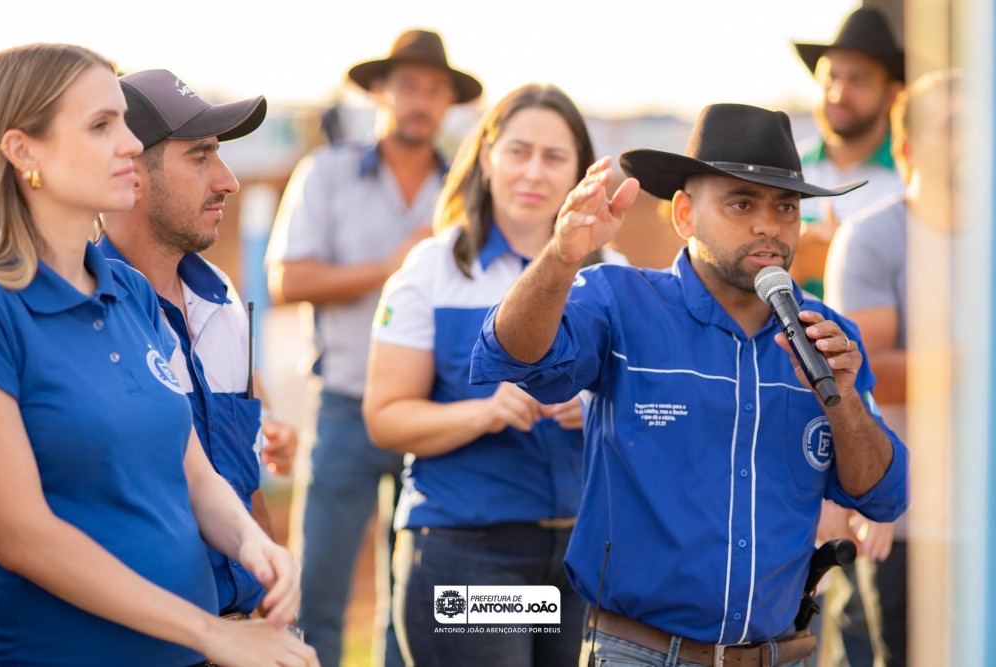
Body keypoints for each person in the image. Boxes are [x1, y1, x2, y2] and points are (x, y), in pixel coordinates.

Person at [470, 103, 909, 667]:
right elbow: (510, 355)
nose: (768, 226)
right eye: (741, 203)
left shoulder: (827, 336)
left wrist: (843, 399)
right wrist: (560, 256)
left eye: (786, 206)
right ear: (684, 214)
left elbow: (884, 497)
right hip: (635, 652)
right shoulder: (618, 301)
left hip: (782, 653)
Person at [0, 43, 315, 666]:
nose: (128, 146)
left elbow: (197, 476)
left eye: (124, 122)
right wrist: (210, 632)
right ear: (23, 151)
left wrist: (254, 545)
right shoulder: (5, 310)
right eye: (101, 126)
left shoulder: (132, 293)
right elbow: (20, 535)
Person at [363, 83, 619, 666]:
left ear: (579, 170)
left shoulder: (612, 276)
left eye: (554, 157)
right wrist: (484, 412)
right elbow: (384, 419)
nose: (534, 172)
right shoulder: (430, 270)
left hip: (583, 561)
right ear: (486, 156)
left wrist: (595, 406)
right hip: (473, 559)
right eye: (518, 151)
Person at [264, 28, 481, 667]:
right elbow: (286, 280)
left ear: (449, 102)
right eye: (408, 86)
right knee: (317, 595)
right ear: (380, 91)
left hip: (434, 415)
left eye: (435, 90)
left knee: (416, 602)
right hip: (345, 406)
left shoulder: (467, 188)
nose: (421, 101)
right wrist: (392, 266)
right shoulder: (326, 173)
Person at [96, 68, 299, 622]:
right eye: (201, 156)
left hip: (240, 628)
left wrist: (271, 615)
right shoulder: (78, 311)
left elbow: (244, 486)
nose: (229, 180)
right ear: (131, 171)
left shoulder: (222, 298)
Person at [821, 72, 957, 667]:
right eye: (952, 126)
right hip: (908, 526)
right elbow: (864, 376)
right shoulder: (873, 237)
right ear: (905, 147)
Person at [790, 6, 906, 297]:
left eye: (858, 79)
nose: (838, 94)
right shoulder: (785, 168)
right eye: (830, 77)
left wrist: (843, 256)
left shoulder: (911, 179)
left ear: (892, 94)